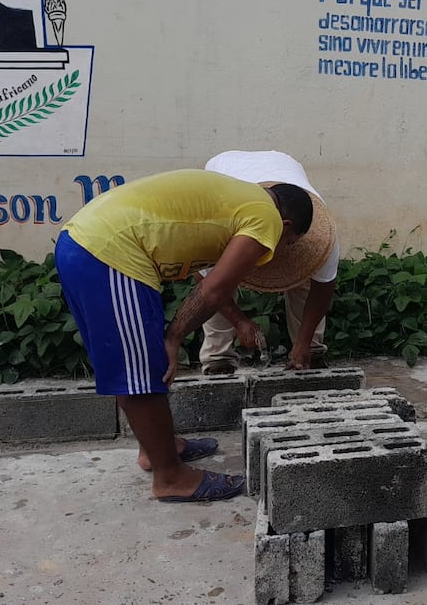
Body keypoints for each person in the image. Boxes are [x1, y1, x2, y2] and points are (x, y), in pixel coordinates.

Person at [55, 169, 315, 503]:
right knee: (143, 371)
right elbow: (213, 289)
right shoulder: (267, 219)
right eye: (288, 245)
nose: (278, 250)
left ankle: (157, 450)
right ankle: (171, 477)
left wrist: (237, 322)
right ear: (288, 226)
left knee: (131, 364)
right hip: (108, 252)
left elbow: (206, 280)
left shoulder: (241, 201)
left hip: (88, 245)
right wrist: (174, 337)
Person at [198, 150, 339, 373]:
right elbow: (206, 285)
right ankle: (218, 358)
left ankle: (310, 351)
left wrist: (303, 342)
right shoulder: (220, 222)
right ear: (284, 225)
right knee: (221, 278)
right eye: (290, 242)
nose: (288, 249)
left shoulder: (323, 235)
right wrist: (239, 321)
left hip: (284, 164)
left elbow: (323, 287)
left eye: (293, 244)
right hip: (225, 172)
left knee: (304, 274)